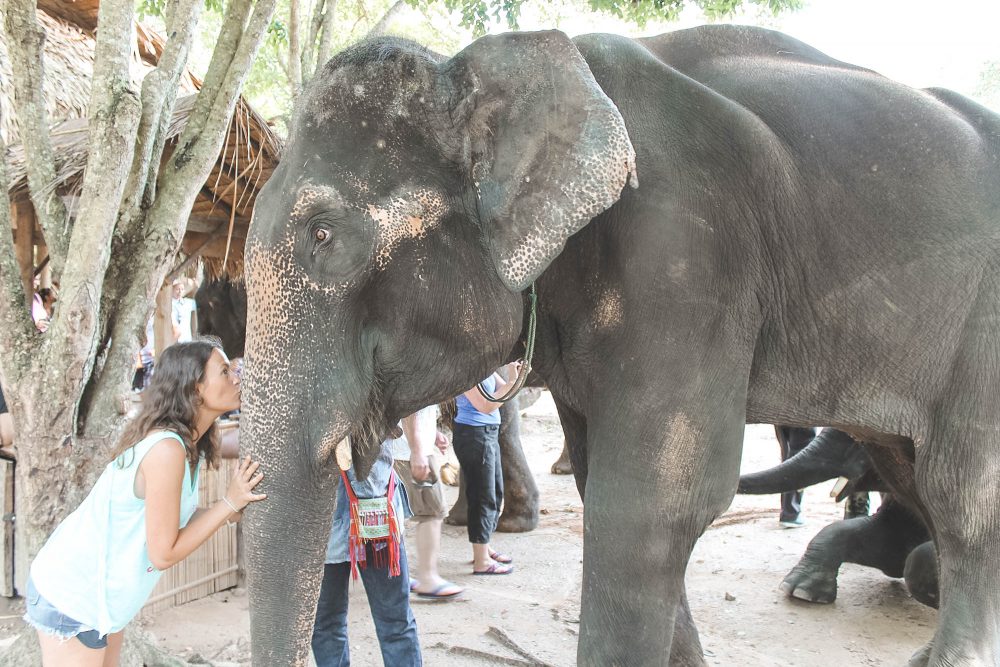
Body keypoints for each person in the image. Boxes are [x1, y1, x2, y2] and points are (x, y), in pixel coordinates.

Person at [23, 338, 266, 665]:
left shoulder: (187, 444)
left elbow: (175, 524)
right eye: (224, 371)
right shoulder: (166, 450)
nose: (237, 377)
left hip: (104, 601)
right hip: (75, 593)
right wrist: (228, 503)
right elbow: (163, 552)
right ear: (195, 389)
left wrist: (227, 510)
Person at [313, 438, 421, 666]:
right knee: (325, 623)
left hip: (376, 513)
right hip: (322, 523)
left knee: (395, 620)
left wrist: (420, 449)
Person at [452, 362, 520, 575]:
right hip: (474, 434)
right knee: (482, 495)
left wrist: (517, 376)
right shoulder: (466, 370)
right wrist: (510, 380)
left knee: (495, 492)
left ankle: (485, 546)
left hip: (488, 432)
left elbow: (506, 392)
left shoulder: (484, 368)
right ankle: (481, 561)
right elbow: (487, 405)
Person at [391, 406, 463, 600]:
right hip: (411, 452)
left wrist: (434, 434)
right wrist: (417, 450)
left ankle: (401, 575)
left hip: (410, 448)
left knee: (396, 515)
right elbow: (409, 404)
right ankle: (428, 578)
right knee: (432, 513)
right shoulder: (412, 374)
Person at [774, 426, 816, 528]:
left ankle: (789, 510)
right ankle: (790, 513)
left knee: (787, 452)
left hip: (779, 414)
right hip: (803, 414)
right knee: (800, 455)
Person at [170, 279, 197, 344]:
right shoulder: (168, 304)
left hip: (186, 339)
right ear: (172, 290)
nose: (179, 292)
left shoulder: (188, 302)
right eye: (177, 289)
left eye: (182, 289)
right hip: (173, 340)